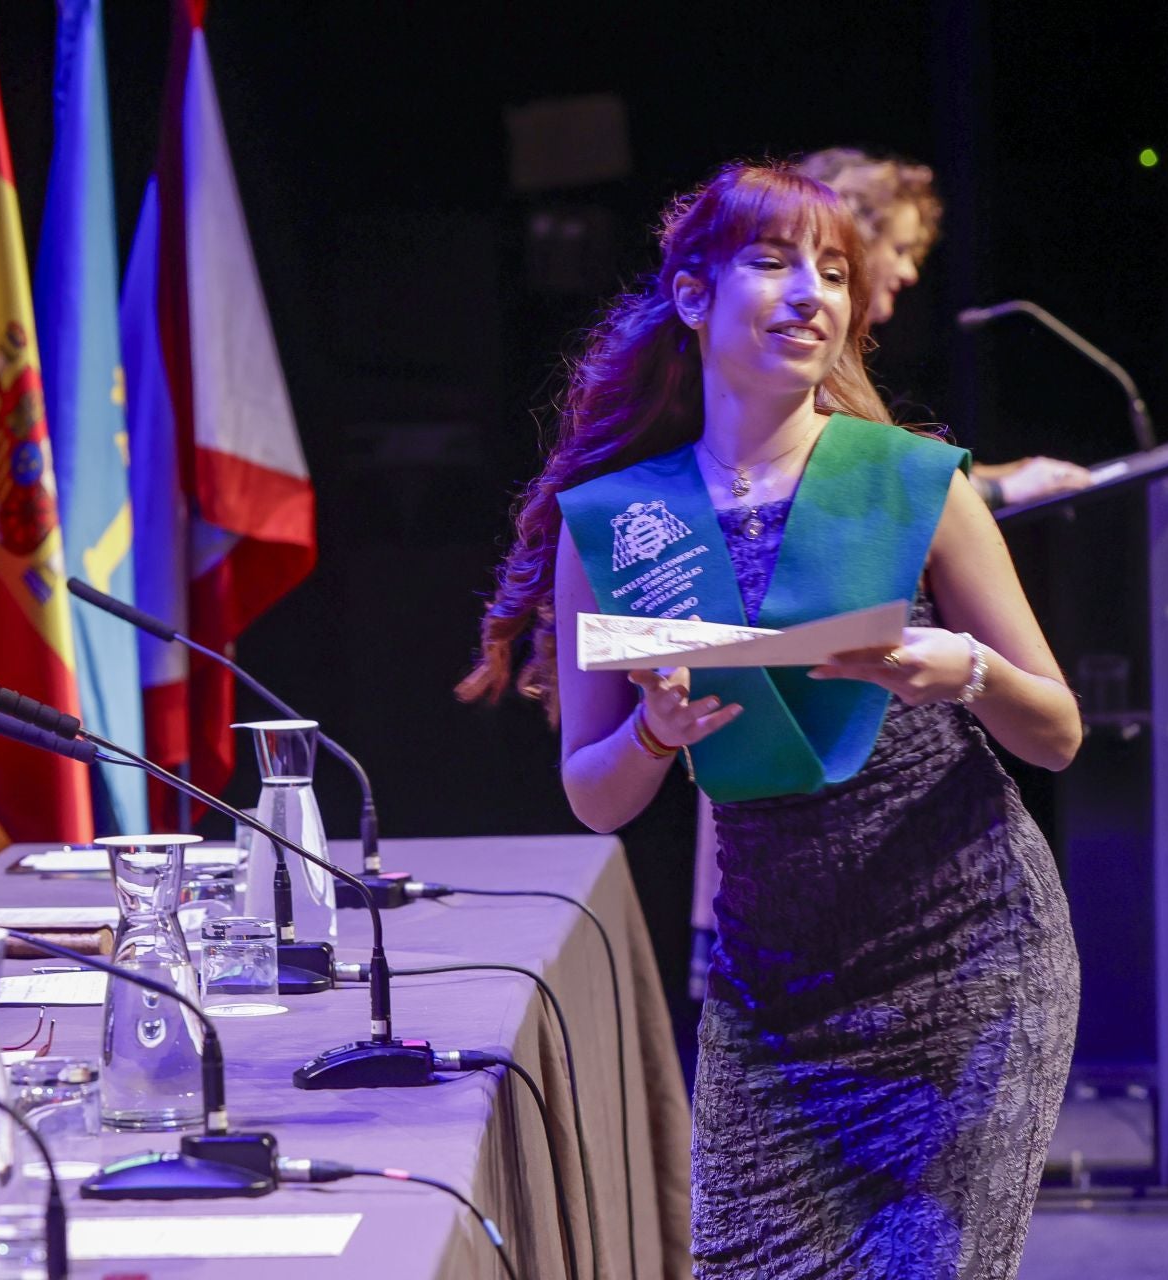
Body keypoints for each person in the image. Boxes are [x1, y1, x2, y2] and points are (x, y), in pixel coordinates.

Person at [462, 162, 1081, 1276]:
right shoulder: (614, 522)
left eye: (834, 273)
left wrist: (969, 671)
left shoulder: (913, 483)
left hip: (975, 960)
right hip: (777, 994)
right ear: (695, 296)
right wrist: (654, 734)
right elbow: (593, 795)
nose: (814, 296)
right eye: (775, 263)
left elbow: (1058, 731)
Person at [796, 147, 1093, 509]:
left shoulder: (837, 359)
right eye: (899, 249)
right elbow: (861, 487)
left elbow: (885, 470)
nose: (909, 273)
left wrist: (1004, 474)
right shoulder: (803, 355)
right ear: (854, 245)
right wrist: (1003, 491)